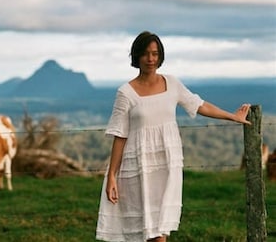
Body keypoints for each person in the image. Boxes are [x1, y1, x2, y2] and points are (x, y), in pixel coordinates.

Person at [96, 31, 251, 242]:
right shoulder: (126, 92)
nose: (151, 59)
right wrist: (112, 175)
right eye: (146, 54)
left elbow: (200, 105)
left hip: (167, 164)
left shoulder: (172, 83)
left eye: (155, 54)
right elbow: (120, 135)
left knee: (160, 232)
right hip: (138, 167)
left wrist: (232, 116)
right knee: (145, 232)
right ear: (136, 56)